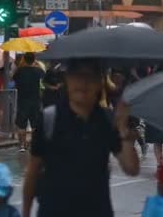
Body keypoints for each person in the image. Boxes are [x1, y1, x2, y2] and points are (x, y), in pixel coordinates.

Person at [21, 59, 140, 217]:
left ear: (99, 82)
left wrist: (124, 129)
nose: (83, 83)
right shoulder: (50, 118)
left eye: (89, 77)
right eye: (77, 75)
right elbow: (33, 171)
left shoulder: (107, 120)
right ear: (67, 79)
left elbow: (131, 168)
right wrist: (26, 212)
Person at [13, 52, 45, 152]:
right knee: (35, 125)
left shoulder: (19, 72)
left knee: (21, 124)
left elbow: (14, 78)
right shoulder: (38, 71)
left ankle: (22, 145)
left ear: (24, 59)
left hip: (22, 101)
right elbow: (43, 78)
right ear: (34, 59)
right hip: (35, 101)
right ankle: (32, 143)